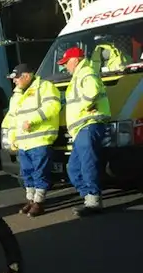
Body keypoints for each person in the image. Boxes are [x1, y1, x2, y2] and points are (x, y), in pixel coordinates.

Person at [57, 47, 111, 216]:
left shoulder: (86, 72)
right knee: (74, 168)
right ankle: (89, 197)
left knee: (87, 164)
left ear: (75, 60)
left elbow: (92, 92)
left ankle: (93, 201)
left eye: (66, 62)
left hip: (88, 124)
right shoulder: (79, 76)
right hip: (81, 128)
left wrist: (85, 107)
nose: (65, 66)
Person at [2, 64, 61, 217]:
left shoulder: (45, 87)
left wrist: (32, 120)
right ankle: (31, 200)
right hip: (23, 143)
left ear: (27, 76)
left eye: (16, 78)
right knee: (26, 173)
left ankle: (39, 202)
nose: (14, 81)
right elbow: (11, 118)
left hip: (40, 139)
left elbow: (53, 106)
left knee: (39, 173)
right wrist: (11, 137)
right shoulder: (16, 95)